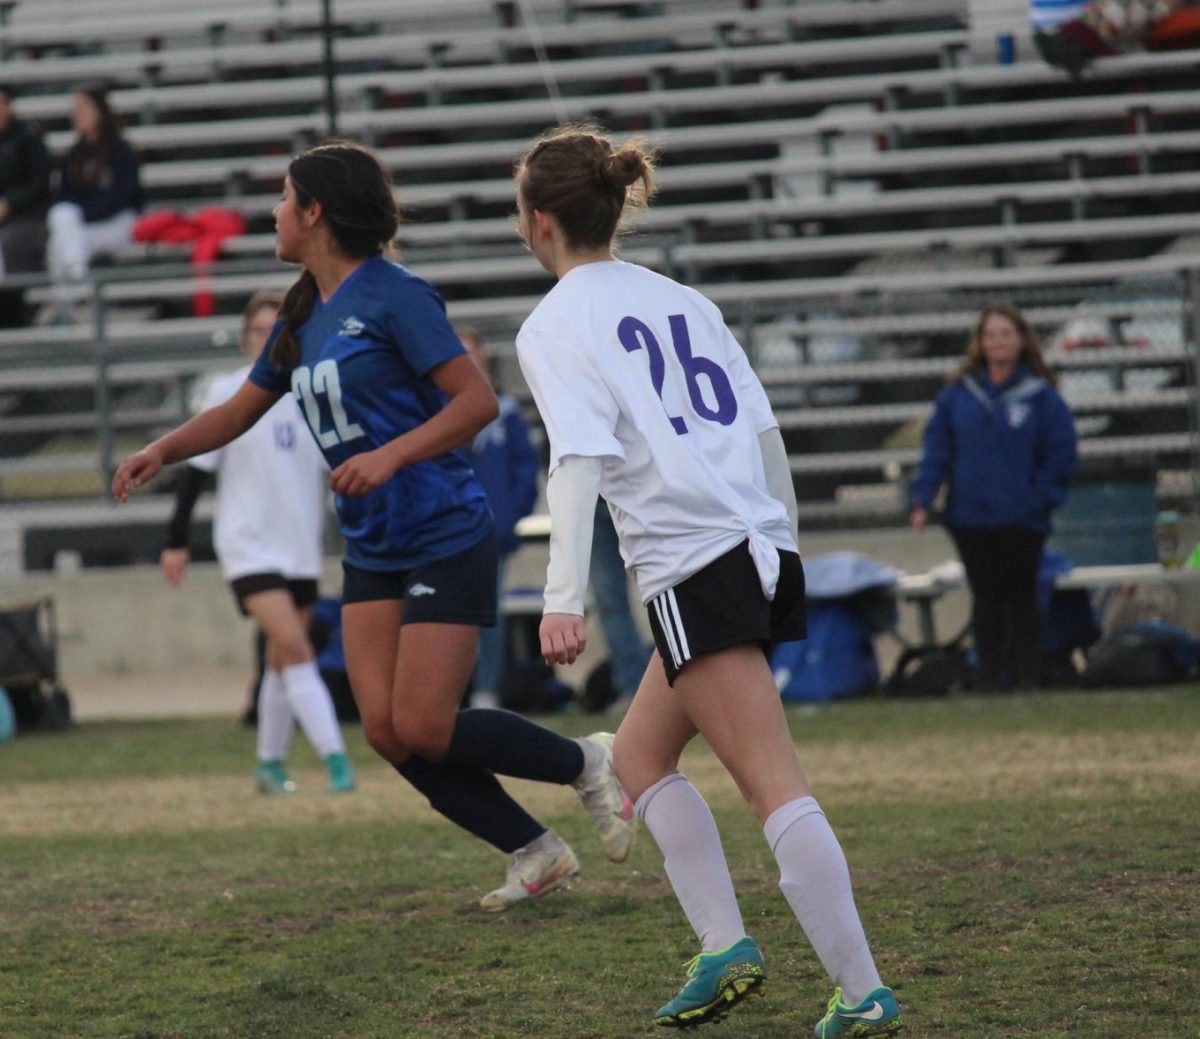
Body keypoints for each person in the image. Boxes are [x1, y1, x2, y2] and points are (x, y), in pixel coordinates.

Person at [112, 139, 636, 912]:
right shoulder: (303, 311)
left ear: (315, 213)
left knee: (426, 721)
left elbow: (475, 403)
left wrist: (390, 456)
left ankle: (587, 761)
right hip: (373, 544)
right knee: (389, 731)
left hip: (442, 528)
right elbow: (237, 410)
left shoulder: (396, 295)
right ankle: (535, 849)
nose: (275, 212)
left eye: (285, 198)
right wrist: (161, 449)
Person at [512, 125, 902, 1037]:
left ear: (539, 224)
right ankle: (725, 947)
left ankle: (863, 989)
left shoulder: (555, 320)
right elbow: (765, 437)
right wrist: (784, 548)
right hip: (750, 546)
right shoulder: (683, 298)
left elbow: (577, 460)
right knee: (639, 759)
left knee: (775, 785)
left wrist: (561, 596)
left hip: (697, 564)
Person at [161, 290, 355, 795]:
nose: (266, 339)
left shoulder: (309, 391)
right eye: (257, 330)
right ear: (246, 337)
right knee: (295, 646)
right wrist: (175, 540)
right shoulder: (227, 390)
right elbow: (195, 474)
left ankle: (269, 765)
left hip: (299, 548)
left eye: (276, 329)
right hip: (247, 544)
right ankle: (337, 760)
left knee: (281, 657)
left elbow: (339, 468)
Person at [911, 301, 1077, 692]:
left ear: (1021, 340)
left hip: (1022, 517)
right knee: (985, 597)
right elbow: (938, 449)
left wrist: (1041, 499)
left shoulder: (1041, 397)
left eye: (1006, 334)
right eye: (990, 335)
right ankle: (987, 676)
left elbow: (1061, 452)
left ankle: (1026, 676)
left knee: (1021, 596)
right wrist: (923, 497)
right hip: (971, 515)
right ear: (979, 342)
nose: (998, 342)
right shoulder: (959, 395)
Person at [456, 325, 539, 710]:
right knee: (450, 613)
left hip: (492, 530)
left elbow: (525, 469)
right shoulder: (439, 406)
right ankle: (453, 691)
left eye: (469, 351)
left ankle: (486, 687)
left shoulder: (505, 410)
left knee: (487, 609)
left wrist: (509, 516)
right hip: (449, 529)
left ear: (483, 355)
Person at [46, 83, 142, 320]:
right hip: (85, 227)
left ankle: (69, 301)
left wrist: (85, 214)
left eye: (82, 108)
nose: (76, 114)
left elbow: (123, 195)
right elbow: (64, 196)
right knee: (61, 231)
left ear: (99, 111)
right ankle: (74, 289)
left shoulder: (121, 150)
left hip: (119, 222)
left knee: (65, 230)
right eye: (74, 109)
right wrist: (81, 215)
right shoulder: (73, 154)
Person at [0, 82, 51, 328]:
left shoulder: (29, 139)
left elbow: (39, 184)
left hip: (27, 218)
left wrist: (10, 203)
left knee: (10, 245)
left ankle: (14, 317)